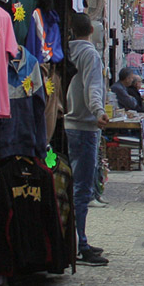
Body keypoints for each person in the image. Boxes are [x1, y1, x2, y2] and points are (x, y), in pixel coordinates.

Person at [64, 13, 110, 266]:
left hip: (66, 126)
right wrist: (99, 111)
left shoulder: (65, 51)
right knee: (82, 189)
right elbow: (92, 86)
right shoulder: (90, 53)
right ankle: (79, 245)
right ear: (91, 30)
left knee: (69, 183)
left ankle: (74, 239)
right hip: (84, 128)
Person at [111, 68, 144, 156]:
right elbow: (132, 103)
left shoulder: (123, 88)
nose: (132, 80)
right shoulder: (119, 88)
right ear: (127, 79)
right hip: (126, 113)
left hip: (131, 112)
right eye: (131, 78)